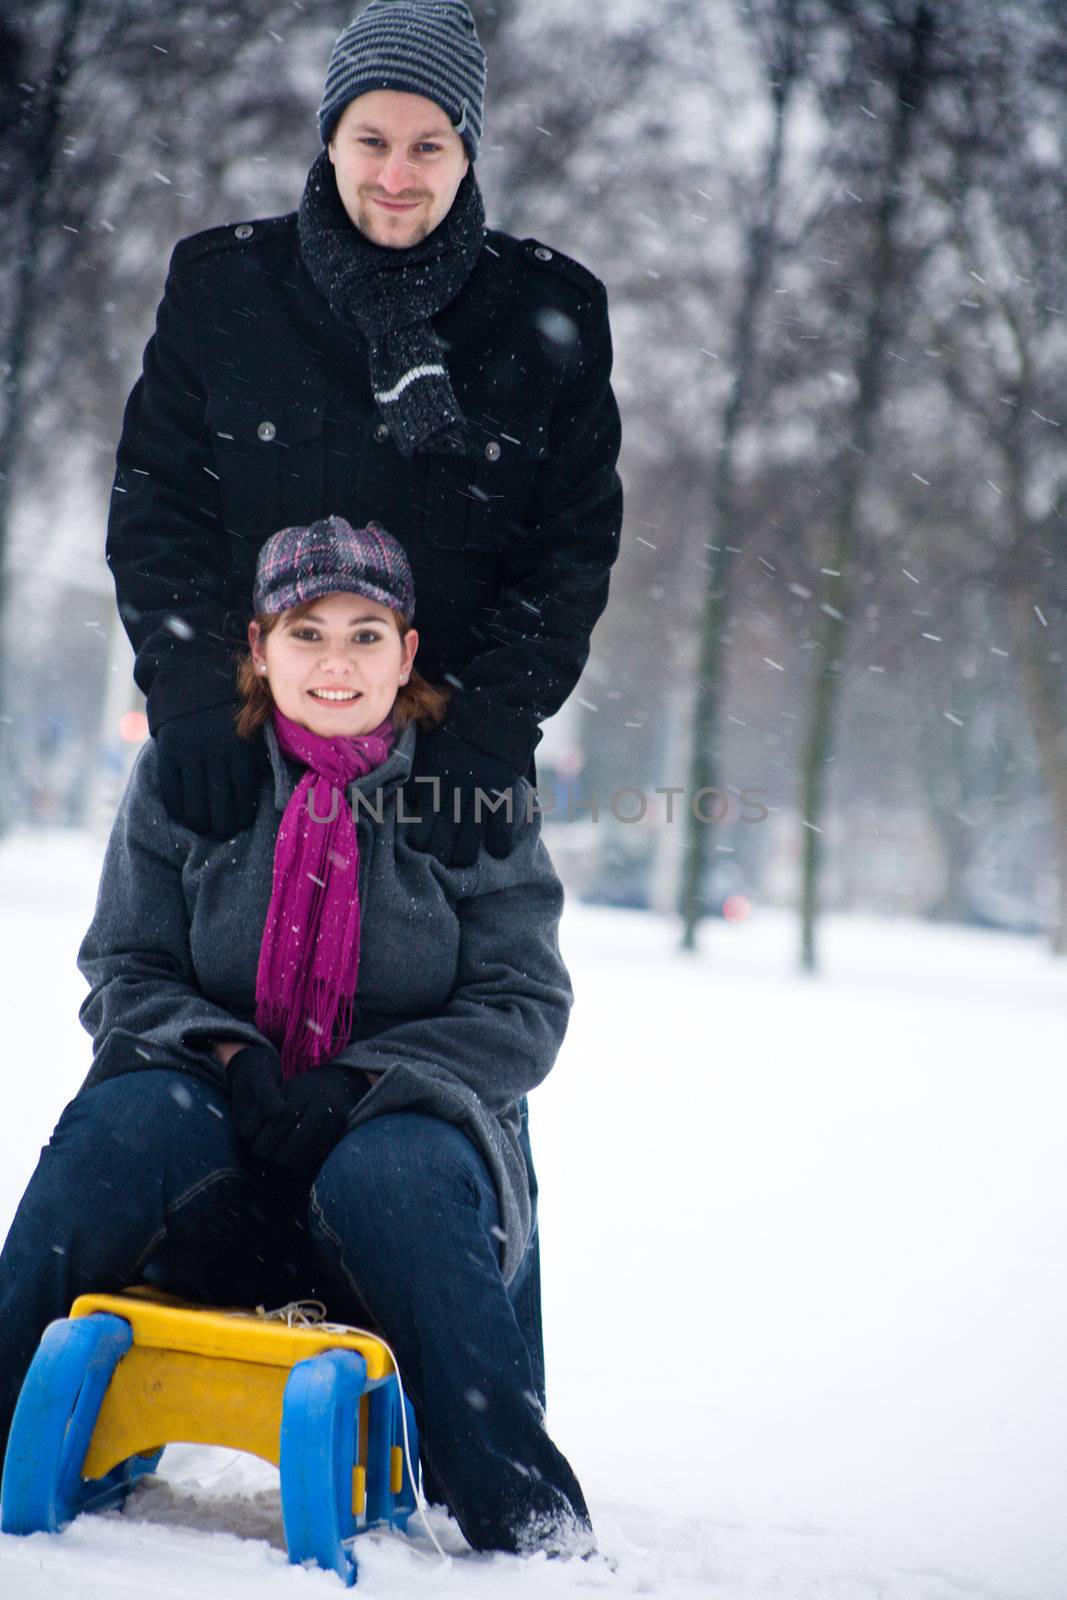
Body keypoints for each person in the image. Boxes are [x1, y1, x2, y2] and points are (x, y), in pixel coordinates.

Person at [0, 516, 594, 1558]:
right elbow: (124, 967)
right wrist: (235, 1059)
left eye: (365, 634)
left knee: (392, 1176)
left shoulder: (469, 791)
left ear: (408, 652)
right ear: (258, 645)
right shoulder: (192, 776)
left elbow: (523, 1007)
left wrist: (362, 1080)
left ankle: (521, 1515)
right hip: (221, 1132)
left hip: (398, 1150)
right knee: (121, 1122)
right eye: (305, 631)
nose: (334, 662)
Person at [107, 0, 623, 870]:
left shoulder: (549, 316)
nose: (396, 173)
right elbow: (158, 510)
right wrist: (191, 696)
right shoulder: (223, 292)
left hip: (444, 781)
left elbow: (568, 553)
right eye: (370, 139)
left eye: (428, 144)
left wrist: (492, 732)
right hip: (242, 760)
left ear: (467, 153)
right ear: (330, 139)